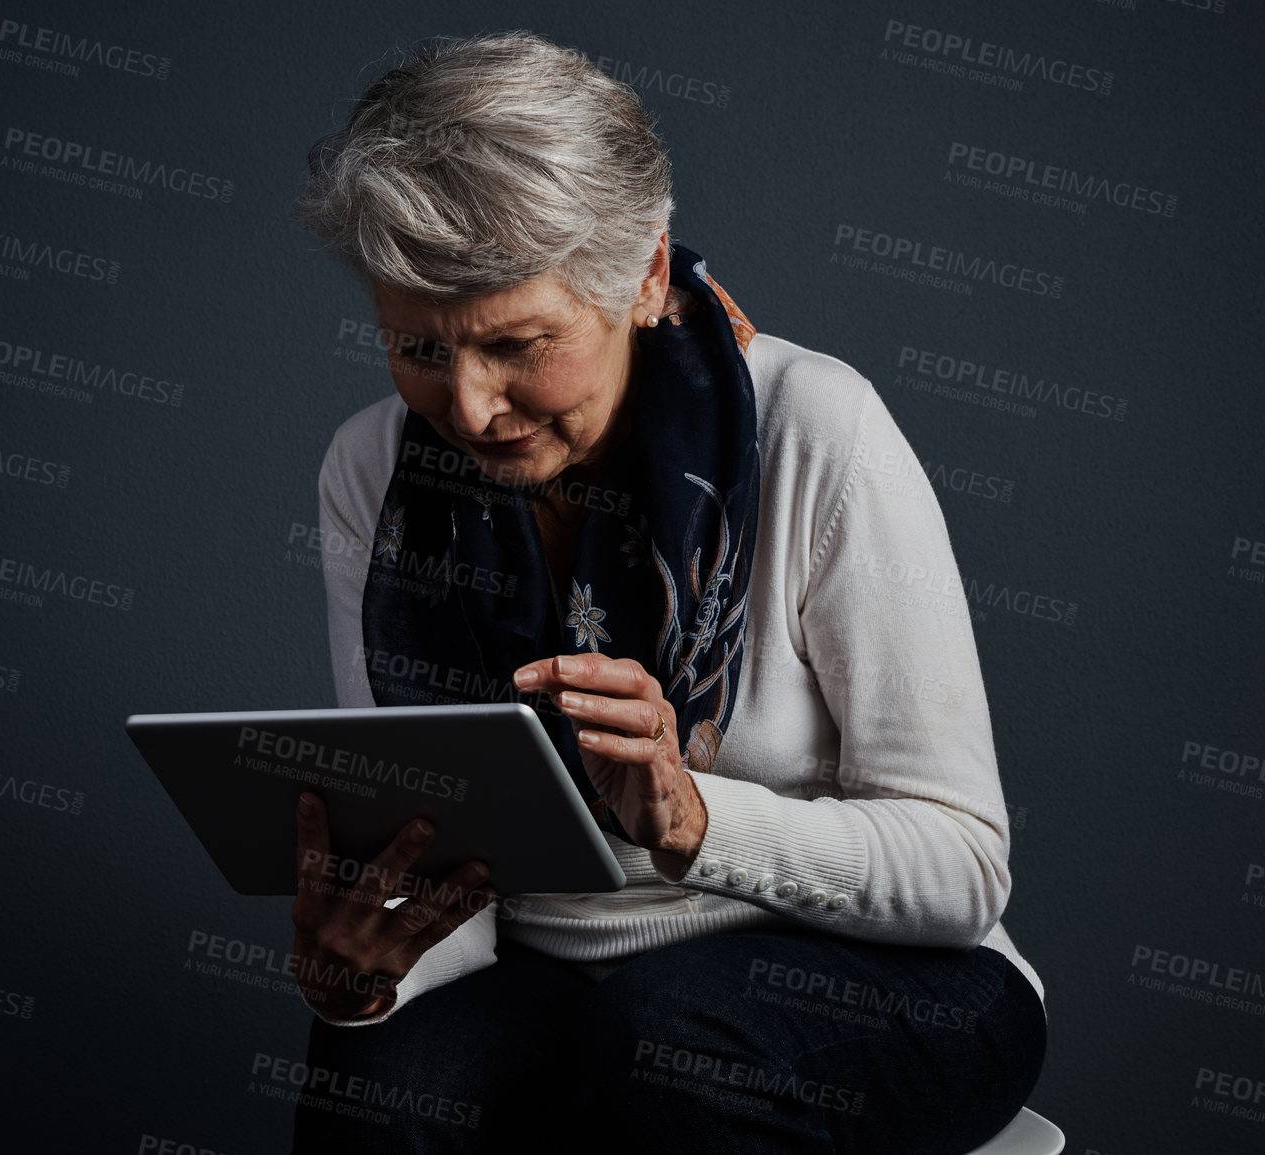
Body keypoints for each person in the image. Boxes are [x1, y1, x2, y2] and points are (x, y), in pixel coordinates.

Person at [285, 30, 1046, 1155]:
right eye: (418, 349)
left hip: (885, 978)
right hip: (553, 972)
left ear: (641, 275)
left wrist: (694, 819)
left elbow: (962, 871)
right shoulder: (371, 468)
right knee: (372, 1082)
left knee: (667, 1046)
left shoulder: (814, 429)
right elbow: (446, 864)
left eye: (516, 343)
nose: (473, 406)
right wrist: (364, 965)